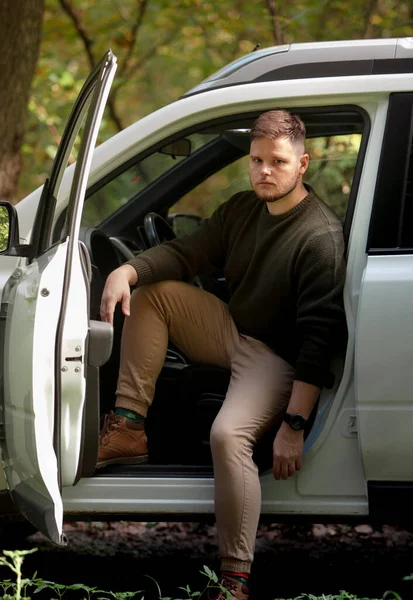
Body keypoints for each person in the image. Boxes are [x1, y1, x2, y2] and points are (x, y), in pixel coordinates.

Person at [97, 109, 346, 600]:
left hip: (277, 358)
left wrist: (294, 427)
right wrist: (127, 272)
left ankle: (233, 580)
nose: (264, 171)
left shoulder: (319, 237)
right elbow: (188, 252)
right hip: (235, 330)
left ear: (303, 164)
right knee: (153, 294)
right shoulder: (241, 209)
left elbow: (319, 342)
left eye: (277, 161)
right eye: (256, 160)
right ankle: (127, 427)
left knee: (227, 435)